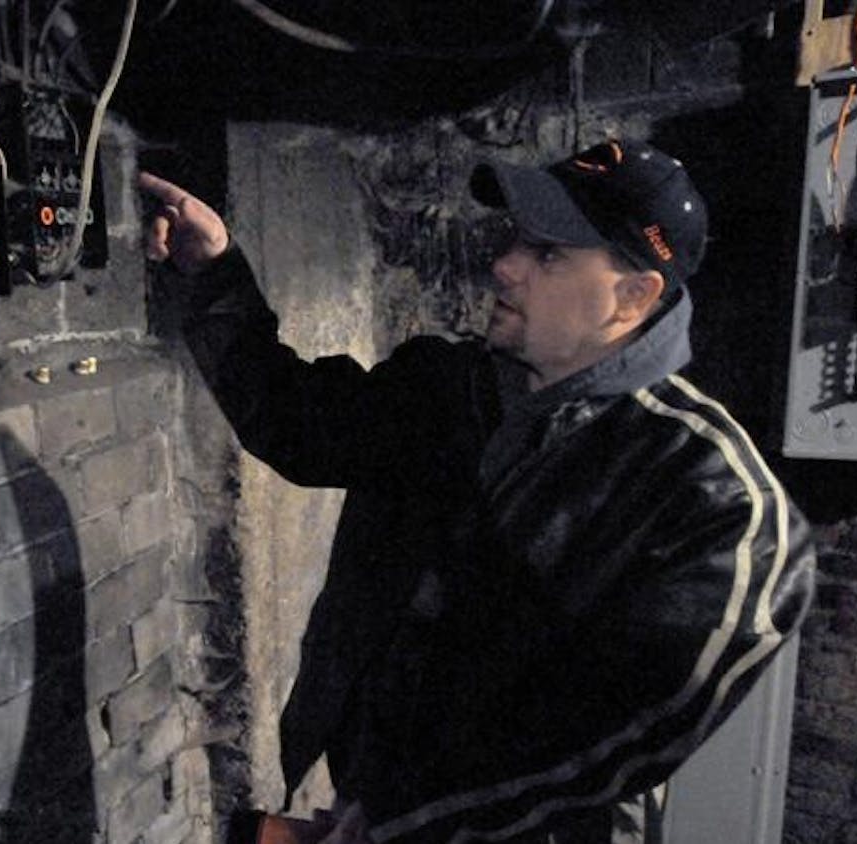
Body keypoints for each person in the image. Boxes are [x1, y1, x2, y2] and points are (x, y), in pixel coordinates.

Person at [138, 139, 816, 843]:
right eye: (517, 239)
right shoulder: (454, 389)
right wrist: (212, 270)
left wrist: (402, 824)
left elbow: (593, 751)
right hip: (376, 799)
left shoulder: (718, 508)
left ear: (631, 297)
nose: (504, 265)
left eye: (547, 254)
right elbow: (298, 424)